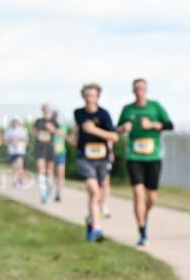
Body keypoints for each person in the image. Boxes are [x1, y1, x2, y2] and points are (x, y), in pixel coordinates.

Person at [117, 78, 173, 246]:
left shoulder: (155, 106)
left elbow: (169, 125)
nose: (139, 92)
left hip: (153, 156)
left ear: (146, 90)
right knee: (137, 193)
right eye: (136, 89)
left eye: (142, 89)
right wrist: (123, 128)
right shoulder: (127, 109)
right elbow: (116, 130)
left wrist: (153, 125)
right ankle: (142, 230)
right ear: (133, 91)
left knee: (152, 197)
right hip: (134, 156)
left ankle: (144, 215)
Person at [69, 83, 118, 242]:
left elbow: (114, 137)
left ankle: (91, 220)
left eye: (93, 95)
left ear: (97, 97)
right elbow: (76, 130)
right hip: (85, 157)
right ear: (83, 96)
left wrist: (94, 131)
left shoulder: (104, 115)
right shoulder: (78, 113)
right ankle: (97, 227)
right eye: (87, 95)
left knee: (102, 189)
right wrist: (73, 137)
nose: (90, 99)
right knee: (94, 190)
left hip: (102, 158)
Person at [33, 104, 59, 203]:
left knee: (49, 171)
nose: (45, 111)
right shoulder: (38, 121)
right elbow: (34, 132)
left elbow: (59, 133)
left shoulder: (53, 121)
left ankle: (49, 192)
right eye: (43, 109)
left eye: (47, 109)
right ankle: (43, 193)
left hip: (50, 147)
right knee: (41, 169)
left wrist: (52, 129)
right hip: (40, 147)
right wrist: (38, 133)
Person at [5, 118, 29, 188]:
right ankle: (17, 181)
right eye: (14, 123)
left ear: (19, 124)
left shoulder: (23, 130)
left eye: (16, 123)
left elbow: (26, 139)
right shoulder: (8, 131)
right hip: (12, 151)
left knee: (20, 166)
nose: (15, 125)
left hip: (20, 151)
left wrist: (19, 140)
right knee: (14, 167)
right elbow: (6, 140)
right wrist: (11, 141)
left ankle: (22, 181)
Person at [51, 111, 68, 202]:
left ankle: (59, 194)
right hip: (50, 154)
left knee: (60, 174)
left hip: (61, 153)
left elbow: (62, 134)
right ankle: (49, 191)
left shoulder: (63, 126)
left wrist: (52, 129)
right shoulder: (48, 127)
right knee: (51, 174)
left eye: (56, 116)